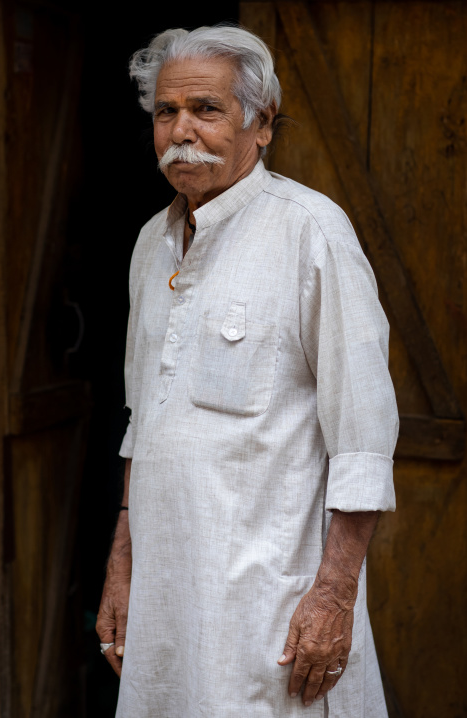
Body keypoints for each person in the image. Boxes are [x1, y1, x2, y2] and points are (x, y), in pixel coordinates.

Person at [96, 25, 399, 718]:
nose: (182, 130)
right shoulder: (151, 243)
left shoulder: (310, 232)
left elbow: (362, 441)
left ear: (261, 126)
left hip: (271, 609)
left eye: (206, 109)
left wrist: (334, 595)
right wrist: (122, 562)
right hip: (166, 603)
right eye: (166, 112)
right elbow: (145, 422)